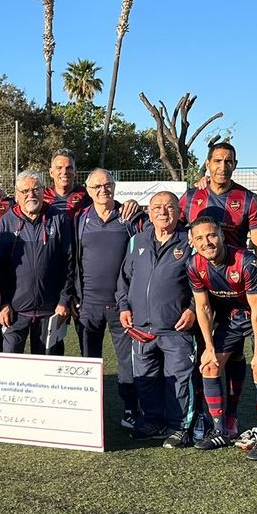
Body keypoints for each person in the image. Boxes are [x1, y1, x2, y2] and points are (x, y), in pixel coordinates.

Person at [180, 141, 257, 437]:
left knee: (236, 355)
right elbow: (171, 227)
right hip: (203, 287)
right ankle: (202, 416)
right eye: (217, 161)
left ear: (235, 164)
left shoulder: (247, 199)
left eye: (228, 161)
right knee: (205, 354)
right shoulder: (191, 197)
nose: (223, 166)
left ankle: (230, 415)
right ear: (207, 164)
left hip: (239, 290)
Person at [187, 216, 257, 461]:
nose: (207, 242)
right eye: (199, 238)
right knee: (209, 365)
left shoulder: (246, 262)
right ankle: (220, 431)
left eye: (211, 235)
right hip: (233, 314)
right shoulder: (194, 264)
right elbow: (203, 307)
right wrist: (208, 348)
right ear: (193, 242)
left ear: (221, 235)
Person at [117, 191, 196, 448]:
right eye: (157, 207)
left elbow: (202, 280)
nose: (163, 212)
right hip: (141, 328)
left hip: (176, 327)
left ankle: (179, 427)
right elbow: (124, 280)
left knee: (179, 379)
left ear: (179, 212)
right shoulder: (137, 241)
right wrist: (124, 306)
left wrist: (193, 309)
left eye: (169, 207)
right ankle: (153, 421)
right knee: (146, 379)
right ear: (149, 213)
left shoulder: (189, 241)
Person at [73, 168, 149, 429]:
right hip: (88, 305)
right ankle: (90, 410)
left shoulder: (129, 216)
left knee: (127, 361)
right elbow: (72, 259)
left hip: (122, 306)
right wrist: (74, 295)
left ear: (114, 187)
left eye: (107, 185)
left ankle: (130, 409)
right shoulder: (80, 219)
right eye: (97, 186)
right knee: (89, 362)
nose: (103, 190)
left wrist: (139, 207)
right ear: (88, 190)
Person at [0, 170, 74, 356]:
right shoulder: (6, 222)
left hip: (50, 311)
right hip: (14, 311)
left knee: (48, 367)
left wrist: (64, 300)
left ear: (43, 191)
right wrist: (3, 303)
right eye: (25, 191)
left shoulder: (58, 218)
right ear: (17, 194)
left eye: (36, 189)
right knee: (11, 364)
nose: (31, 194)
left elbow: (68, 264)